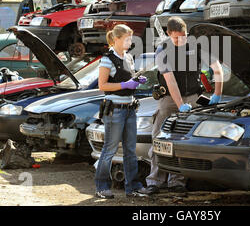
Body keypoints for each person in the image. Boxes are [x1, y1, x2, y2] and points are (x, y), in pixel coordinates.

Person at [139, 17, 224, 195]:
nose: (181, 40)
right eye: (177, 38)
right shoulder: (162, 50)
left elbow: (217, 68)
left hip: (193, 97)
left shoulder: (197, 47)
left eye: (184, 36)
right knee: (160, 140)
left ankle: (177, 181)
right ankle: (154, 181)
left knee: (184, 141)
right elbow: (170, 81)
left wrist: (217, 93)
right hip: (169, 99)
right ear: (169, 34)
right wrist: (180, 105)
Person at [94, 24, 147, 199]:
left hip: (130, 108)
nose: (130, 42)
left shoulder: (129, 57)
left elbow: (128, 79)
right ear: (116, 39)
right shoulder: (107, 59)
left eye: (131, 39)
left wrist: (137, 81)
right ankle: (102, 186)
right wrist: (125, 85)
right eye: (127, 39)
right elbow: (103, 86)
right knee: (109, 149)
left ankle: (132, 187)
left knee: (130, 150)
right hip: (115, 110)